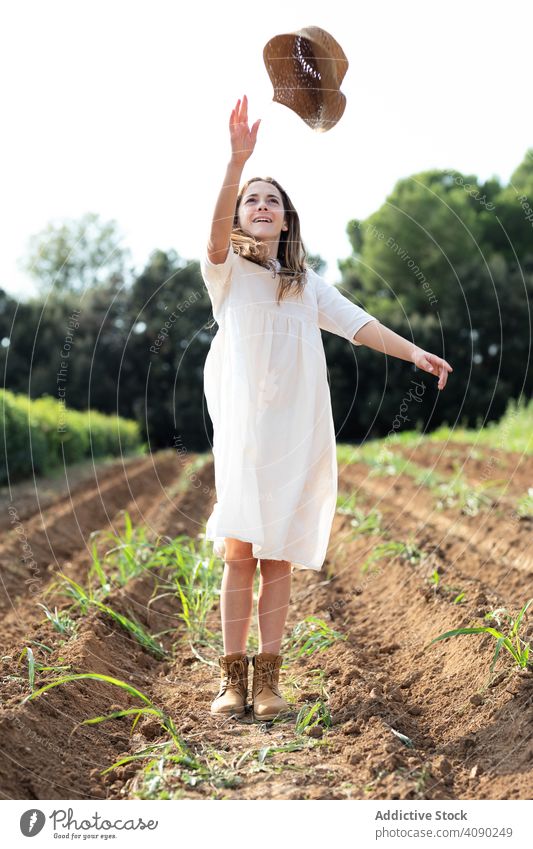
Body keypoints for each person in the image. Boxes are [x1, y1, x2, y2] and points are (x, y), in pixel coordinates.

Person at [200, 94, 453, 722]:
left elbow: (361, 325)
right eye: (251, 200)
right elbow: (210, 237)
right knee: (239, 551)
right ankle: (232, 681)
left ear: (286, 221)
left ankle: (269, 682)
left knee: (278, 554)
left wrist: (416, 353)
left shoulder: (306, 285)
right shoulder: (226, 272)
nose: (261, 206)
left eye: (272, 201)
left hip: (294, 431)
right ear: (240, 218)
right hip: (244, 435)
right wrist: (237, 161)